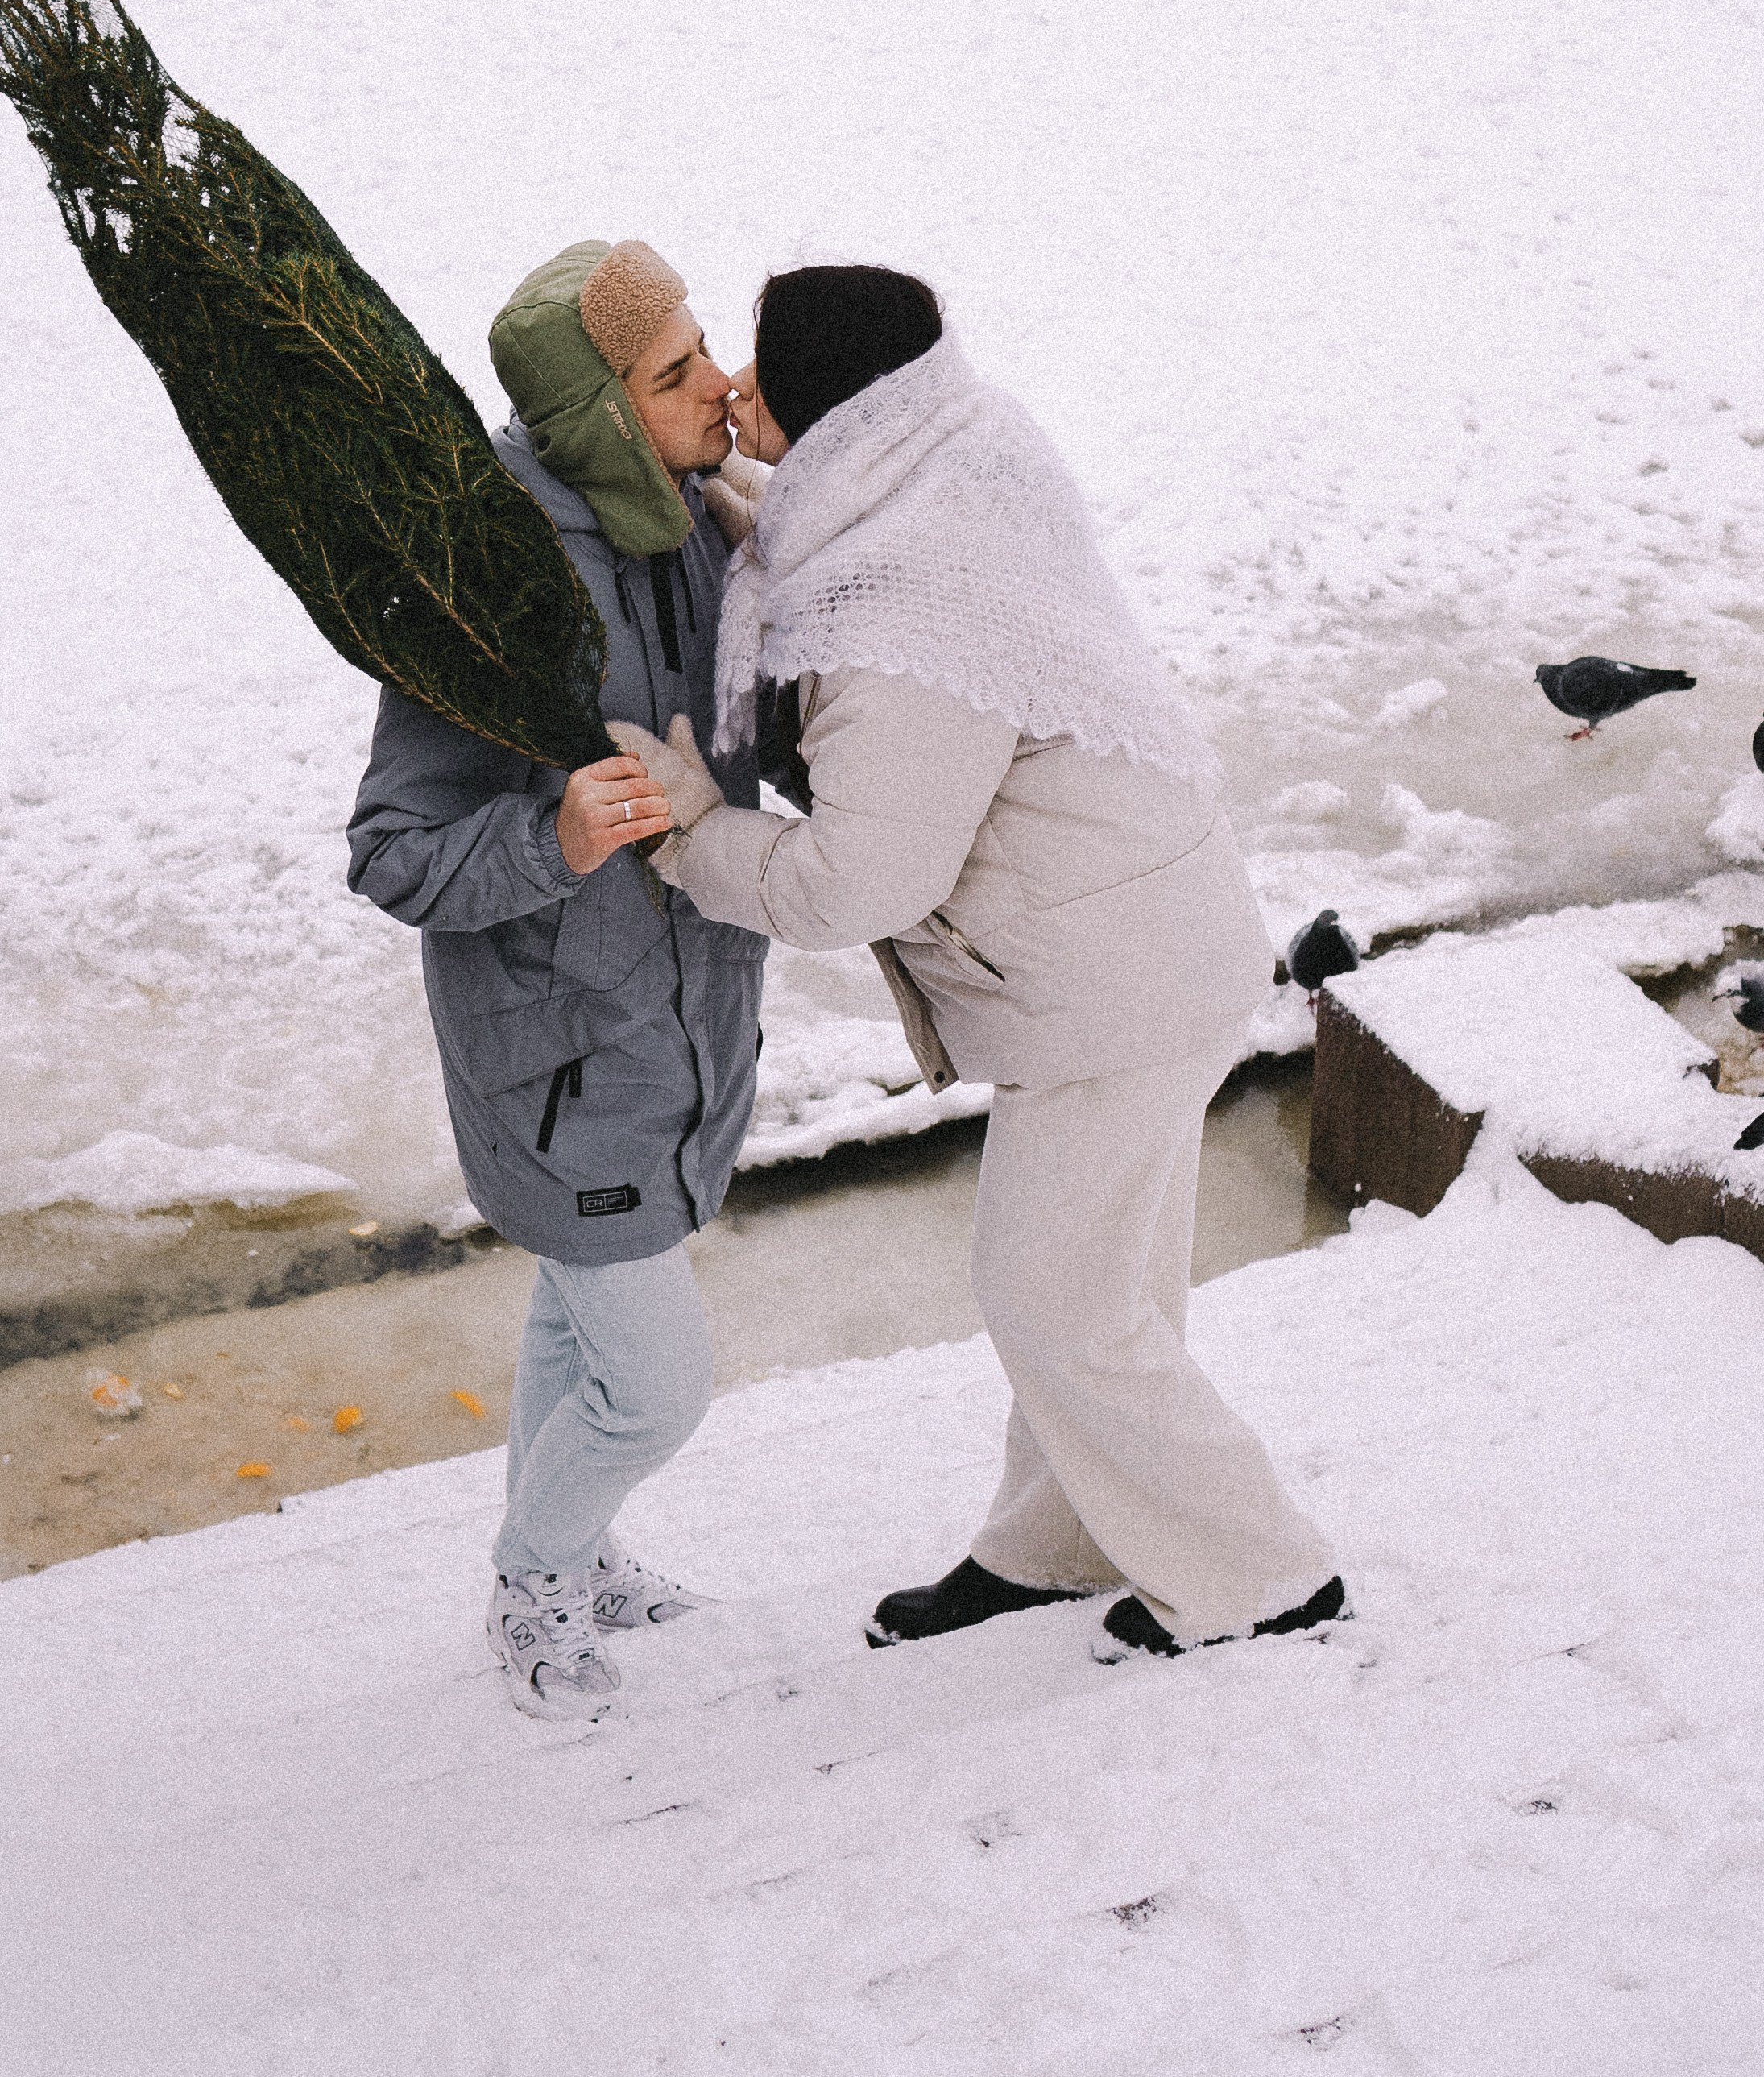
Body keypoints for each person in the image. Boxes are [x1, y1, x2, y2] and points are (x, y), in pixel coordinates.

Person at [615, 264, 1344, 1665]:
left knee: (1053, 1300)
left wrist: (694, 829)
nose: (737, 393)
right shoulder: (958, 445)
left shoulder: (902, 635)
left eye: (764, 375)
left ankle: (1263, 1574)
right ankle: (1062, 1542)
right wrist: (745, 505)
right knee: (1100, 1292)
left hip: (1109, 986)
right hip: (1139, 932)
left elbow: (852, 885)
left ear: (844, 412)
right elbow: (851, 540)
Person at [348, 239, 768, 1720]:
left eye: (704, 345)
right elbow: (392, 850)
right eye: (675, 373)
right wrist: (553, 832)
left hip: (681, 1020)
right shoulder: (491, 582)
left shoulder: (695, 523)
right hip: (562, 1057)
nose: (721, 383)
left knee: (568, 1322)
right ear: (597, 414)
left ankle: (572, 1559)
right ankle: (535, 1580)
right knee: (653, 1387)